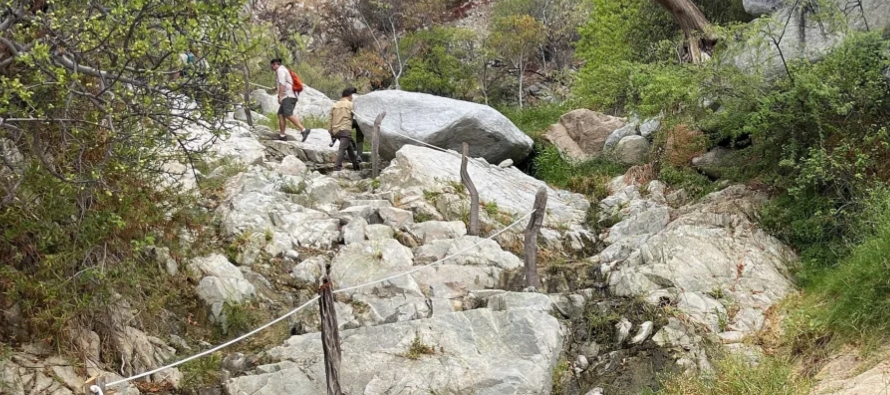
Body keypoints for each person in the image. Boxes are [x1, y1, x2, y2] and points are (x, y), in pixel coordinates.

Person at [270, 58, 310, 141]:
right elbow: (284, 83)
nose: (272, 67)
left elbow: (282, 84)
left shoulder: (280, 70)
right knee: (280, 114)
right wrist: (276, 89)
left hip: (288, 96)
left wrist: (280, 96)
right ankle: (282, 135)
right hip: (287, 96)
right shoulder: (283, 70)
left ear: (276, 64)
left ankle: (303, 130)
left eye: (272, 65)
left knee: (288, 114)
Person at [329, 87, 360, 171]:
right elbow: (357, 116)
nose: (352, 98)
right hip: (345, 129)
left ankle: (356, 165)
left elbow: (330, 120)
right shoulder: (350, 104)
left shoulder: (334, 105)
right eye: (352, 96)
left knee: (348, 146)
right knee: (342, 149)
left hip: (336, 131)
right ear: (349, 95)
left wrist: (331, 132)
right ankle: (337, 168)